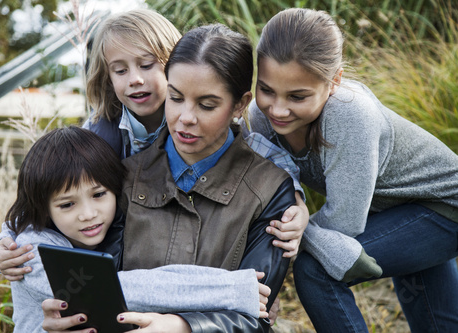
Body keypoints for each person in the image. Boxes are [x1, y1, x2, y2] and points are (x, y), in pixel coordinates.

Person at [40, 23, 296, 332]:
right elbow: (98, 290)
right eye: (175, 98)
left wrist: (183, 327)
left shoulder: (271, 190)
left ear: (240, 105)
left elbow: (256, 312)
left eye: (207, 105)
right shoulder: (123, 175)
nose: (184, 118)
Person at [246, 7, 458, 332]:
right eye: (267, 89)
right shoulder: (260, 119)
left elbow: (343, 225)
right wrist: (261, 286)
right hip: (391, 212)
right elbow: (265, 200)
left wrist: (301, 224)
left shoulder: (349, 114)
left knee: (316, 268)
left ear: (335, 81)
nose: (278, 108)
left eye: (298, 96)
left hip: (442, 208)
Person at [0, 125, 272, 332]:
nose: (88, 215)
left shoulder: (100, 228)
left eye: (99, 194)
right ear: (43, 207)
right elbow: (125, 289)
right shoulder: (32, 254)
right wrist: (230, 289)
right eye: (67, 205)